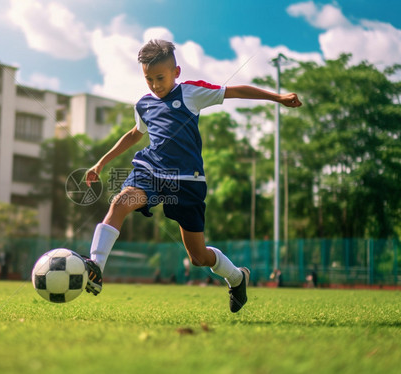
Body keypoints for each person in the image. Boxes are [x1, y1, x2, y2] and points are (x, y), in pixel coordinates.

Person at [84, 39, 302, 313]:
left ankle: (237, 277)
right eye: (148, 79)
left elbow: (234, 91)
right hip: (150, 172)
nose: (154, 85)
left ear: (176, 72)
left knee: (198, 257)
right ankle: (95, 268)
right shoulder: (143, 105)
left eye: (160, 77)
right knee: (120, 202)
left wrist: (277, 97)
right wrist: (101, 163)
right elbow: (134, 134)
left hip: (187, 182)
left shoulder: (191, 93)